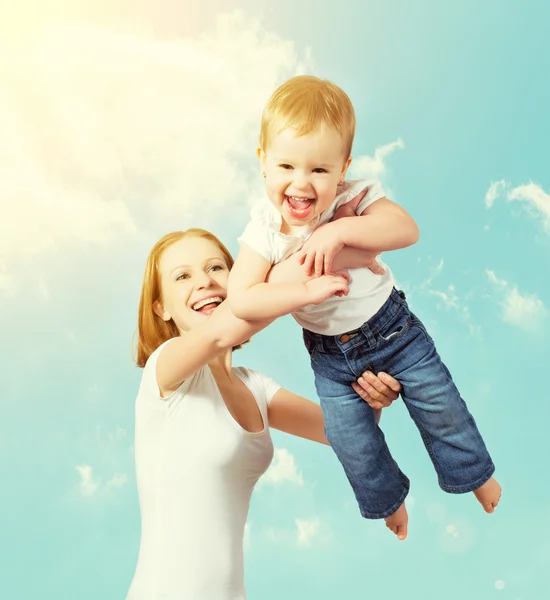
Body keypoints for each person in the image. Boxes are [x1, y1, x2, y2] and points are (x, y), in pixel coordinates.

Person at [228, 74, 501, 542]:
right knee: (352, 441)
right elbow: (242, 298)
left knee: (440, 405)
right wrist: (305, 291)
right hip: (332, 358)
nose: (301, 183)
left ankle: (474, 474)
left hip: (394, 331)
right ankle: (389, 504)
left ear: (343, 167)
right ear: (263, 163)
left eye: (319, 170)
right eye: (286, 166)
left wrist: (337, 233)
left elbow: (405, 230)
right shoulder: (264, 229)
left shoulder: (354, 198)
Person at [126, 228, 402, 600]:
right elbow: (221, 332)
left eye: (216, 268)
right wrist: (310, 278)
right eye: (183, 276)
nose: (204, 282)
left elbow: (346, 430)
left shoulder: (254, 386)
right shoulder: (166, 368)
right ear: (161, 307)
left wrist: (372, 395)